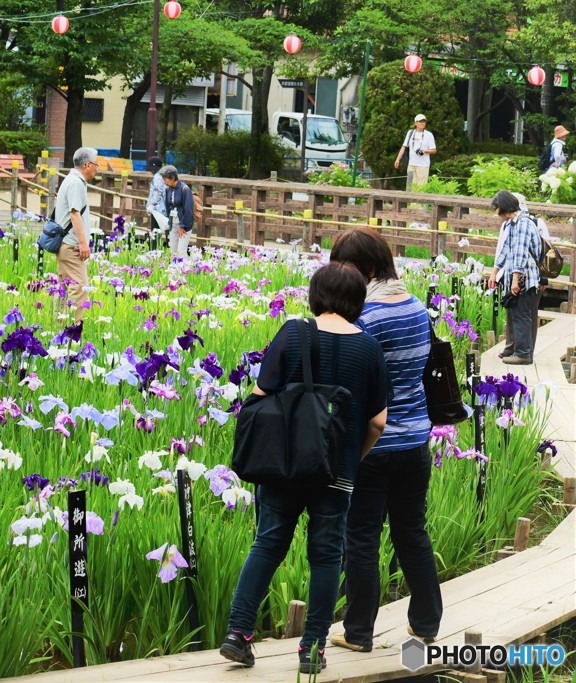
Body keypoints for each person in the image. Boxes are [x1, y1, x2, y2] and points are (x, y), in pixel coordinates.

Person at [221, 262, 390, 675]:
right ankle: (312, 649)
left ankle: (239, 633)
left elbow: (260, 395)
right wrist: (355, 456)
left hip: (283, 464)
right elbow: (378, 421)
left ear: (316, 295)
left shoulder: (292, 334)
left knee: (268, 543)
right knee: (327, 555)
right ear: (357, 301)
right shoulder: (369, 348)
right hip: (337, 471)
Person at [327, 228, 442, 653]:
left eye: (346, 267)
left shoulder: (365, 318)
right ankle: (427, 623)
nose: (341, 277)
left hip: (373, 446)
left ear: (369, 269)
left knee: (361, 538)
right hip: (415, 441)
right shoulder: (416, 308)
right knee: (412, 531)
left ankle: (358, 632)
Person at [487, 190, 542, 365]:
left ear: (503, 207)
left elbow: (520, 254)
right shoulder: (512, 224)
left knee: (522, 316)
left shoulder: (523, 224)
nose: (496, 214)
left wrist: (515, 279)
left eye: (496, 209)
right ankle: (516, 350)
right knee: (516, 314)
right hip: (517, 278)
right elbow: (506, 250)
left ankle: (524, 354)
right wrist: (494, 272)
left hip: (525, 279)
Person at [54, 147, 98, 322]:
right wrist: (83, 243)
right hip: (71, 246)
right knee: (79, 289)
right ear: (87, 164)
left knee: (64, 288)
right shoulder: (76, 182)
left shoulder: (71, 179)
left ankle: (59, 328)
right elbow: (74, 213)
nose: (97, 168)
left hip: (66, 244)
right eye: (96, 164)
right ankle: (73, 332)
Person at [394, 115, 437, 189]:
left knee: (421, 188)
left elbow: (434, 150)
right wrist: (398, 159)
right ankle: (411, 201)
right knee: (410, 187)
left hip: (423, 166)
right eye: (420, 121)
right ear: (415, 123)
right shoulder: (410, 133)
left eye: (424, 121)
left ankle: (419, 201)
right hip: (411, 165)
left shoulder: (429, 135)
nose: (422, 123)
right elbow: (404, 147)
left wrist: (425, 151)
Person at [160, 165, 194, 258]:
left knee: (181, 251)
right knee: (173, 251)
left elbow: (188, 209)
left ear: (173, 178)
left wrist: (183, 225)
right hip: (173, 222)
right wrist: (169, 221)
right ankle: (174, 271)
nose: (164, 181)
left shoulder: (185, 189)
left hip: (183, 224)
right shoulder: (168, 189)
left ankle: (186, 270)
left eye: (165, 179)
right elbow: (168, 206)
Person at [145, 156, 167, 234]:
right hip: (163, 207)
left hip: (158, 208)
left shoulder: (157, 177)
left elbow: (158, 192)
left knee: (155, 230)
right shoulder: (163, 175)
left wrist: (152, 203)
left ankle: (155, 245)